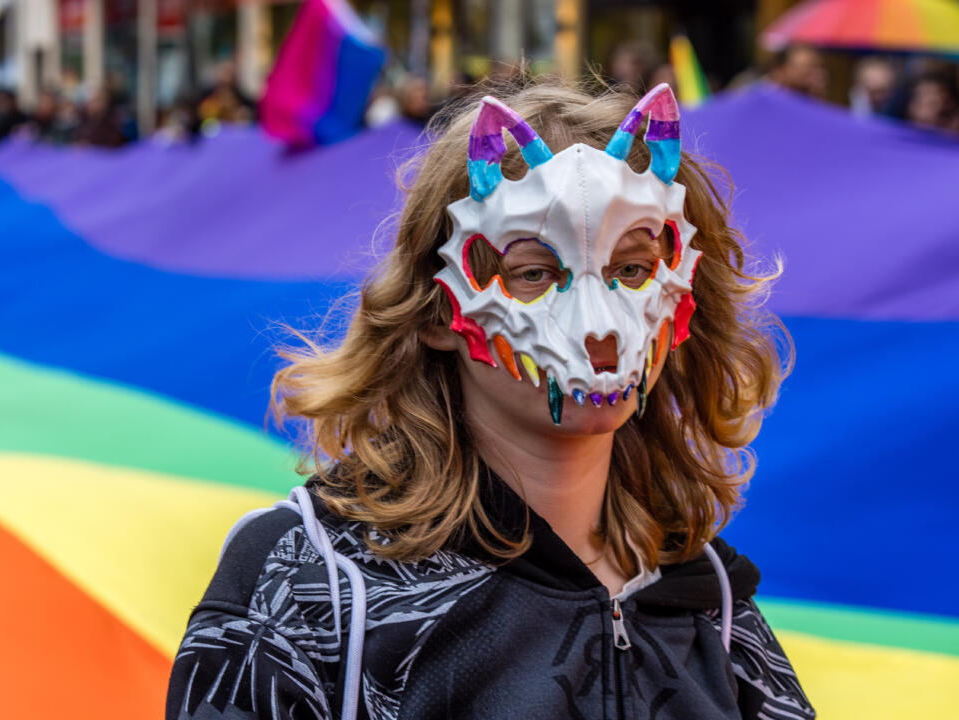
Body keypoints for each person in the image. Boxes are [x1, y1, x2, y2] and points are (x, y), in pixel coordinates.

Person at [167, 78, 814, 719]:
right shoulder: (311, 580)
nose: (599, 324)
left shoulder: (708, 600)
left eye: (632, 270)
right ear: (436, 313)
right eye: (534, 273)